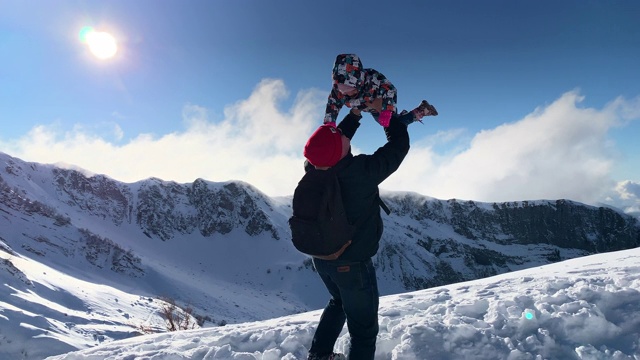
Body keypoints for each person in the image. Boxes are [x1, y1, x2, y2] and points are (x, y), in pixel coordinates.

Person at [303, 109, 412, 360]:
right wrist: (389, 120)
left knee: (338, 302)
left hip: (321, 258)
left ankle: (319, 355)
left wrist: (353, 116)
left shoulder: (313, 168)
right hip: (352, 264)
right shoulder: (362, 172)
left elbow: (331, 144)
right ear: (339, 150)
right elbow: (398, 146)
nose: (344, 137)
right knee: (363, 331)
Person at [324, 53, 438, 128]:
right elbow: (332, 105)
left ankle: (421, 110)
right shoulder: (338, 91)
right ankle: (417, 111)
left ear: (359, 82)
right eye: (342, 89)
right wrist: (329, 123)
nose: (345, 93)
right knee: (394, 123)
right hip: (369, 108)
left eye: (350, 89)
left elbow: (390, 90)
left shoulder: (373, 78)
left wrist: (387, 111)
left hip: (383, 104)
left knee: (395, 125)